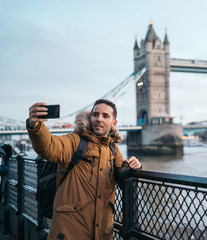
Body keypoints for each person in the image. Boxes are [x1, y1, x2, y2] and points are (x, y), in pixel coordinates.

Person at [27, 99, 142, 240]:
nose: (99, 119)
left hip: (103, 233)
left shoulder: (113, 150)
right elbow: (49, 147)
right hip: (69, 232)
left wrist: (134, 167)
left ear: (114, 123)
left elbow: (124, 181)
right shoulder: (75, 142)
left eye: (105, 116)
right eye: (95, 114)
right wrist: (35, 125)